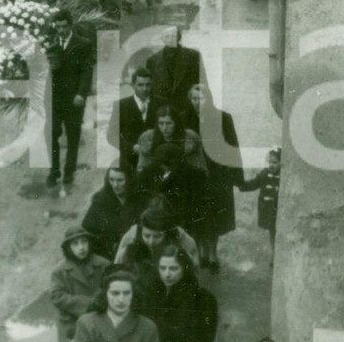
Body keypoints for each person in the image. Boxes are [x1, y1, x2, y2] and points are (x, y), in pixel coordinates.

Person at [184, 83, 244, 271]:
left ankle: (212, 253)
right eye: (193, 98)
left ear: (208, 98)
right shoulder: (184, 118)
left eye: (200, 98)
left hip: (217, 174)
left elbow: (233, 146)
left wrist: (237, 176)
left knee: (214, 214)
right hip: (194, 174)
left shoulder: (223, 118)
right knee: (197, 213)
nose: (197, 102)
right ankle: (201, 251)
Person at [46, 9, 94, 190]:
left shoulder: (83, 44)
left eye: (64, 27)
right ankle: (54, 170)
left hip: (74, 99)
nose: (61, 30)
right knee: (52, 134)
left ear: (70, 25)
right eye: (58, 27)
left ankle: (69, 171)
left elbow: (86, 71)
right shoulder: (50, 45)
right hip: (55, 99)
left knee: (73, 136)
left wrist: (81, 93)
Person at [50, 227, 109, 342]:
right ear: (68, 248)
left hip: (101, 319)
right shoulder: (59, 271)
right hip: (71, 324)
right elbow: (56, 296)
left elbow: (112, 288)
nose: (81, 247)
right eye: (75, 244)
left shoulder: (103, 264)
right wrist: (89, 303)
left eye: (84, 241)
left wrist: (100, 300)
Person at [115, 196, 201, 271]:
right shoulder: (132, 236)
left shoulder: (183, 240)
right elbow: (116, 269)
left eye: (157, 236)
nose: (151, 242)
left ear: (168, 231)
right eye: (146, 235)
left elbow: (195, 273)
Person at [81, 166, 143, 262]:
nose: (115, 185)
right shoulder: (100, 201)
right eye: (111, 180)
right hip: (107, 256)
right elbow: (87, 232)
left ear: (129, 180)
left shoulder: (140, 199)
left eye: (120, 180)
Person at [145, 25, 205, 116]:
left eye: (173, 36)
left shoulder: (193, 56)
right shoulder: (153, 60)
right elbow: (149, 88)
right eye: (167, 36)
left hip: (187, 106)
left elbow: (202, 83)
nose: (170, 39)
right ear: (162, 39)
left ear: (179, 38)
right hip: (162, 109)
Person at [107, 65, 156, 175]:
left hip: (155, 159)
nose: (144, 89)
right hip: (129, 160)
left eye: (148, 85)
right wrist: (131, 148)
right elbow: (111, 135)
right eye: (140, 85)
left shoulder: (160, 104)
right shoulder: (121, 106)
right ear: (133, 85)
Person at [238, 147, 281, 262]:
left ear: (281, 163)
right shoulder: (264, 174)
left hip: (279, 211)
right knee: (272, 232)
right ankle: (274, 255)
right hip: (269, 210)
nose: (271, 165)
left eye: (275, 162)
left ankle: (279, 256)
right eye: (270, 162)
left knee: (279, 232)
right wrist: (241, 185)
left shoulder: (284, 176)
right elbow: (254, 183)